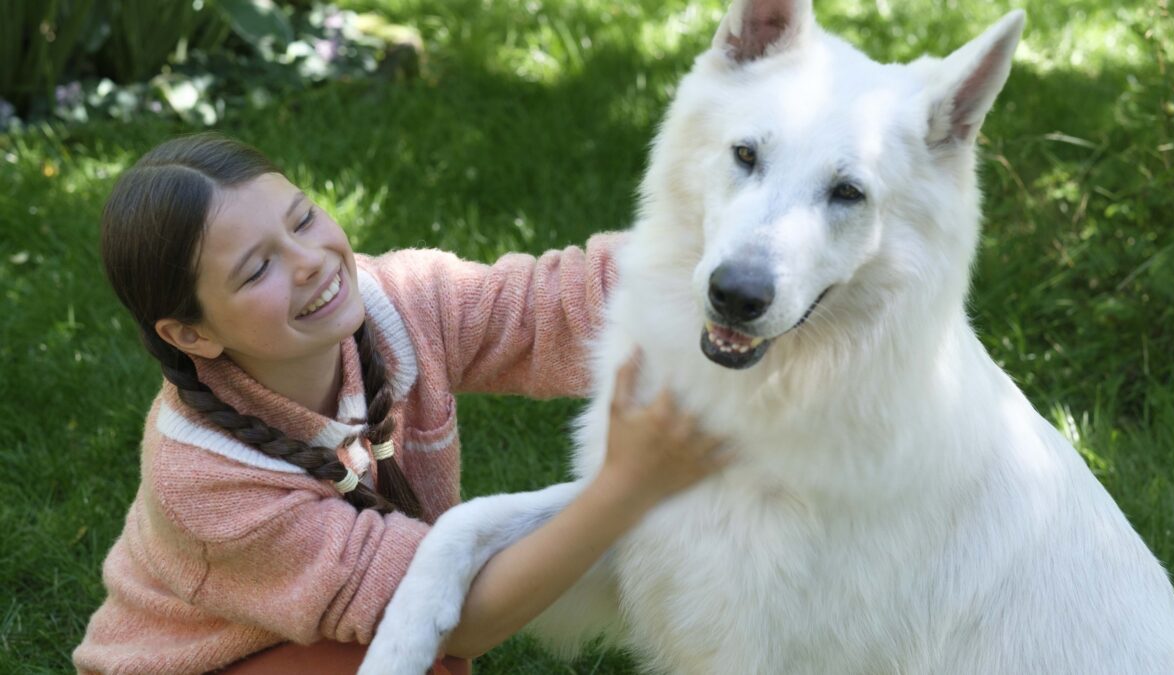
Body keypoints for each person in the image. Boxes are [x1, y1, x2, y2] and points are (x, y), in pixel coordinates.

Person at [72, 133, 725, 674]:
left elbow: (549, 307)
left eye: (301, 218)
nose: (308, 261)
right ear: (193, 334)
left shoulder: (403, 300)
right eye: (256, 269)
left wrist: (718, 247)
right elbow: (449, 618)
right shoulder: (205, 479)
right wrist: (627, 487)